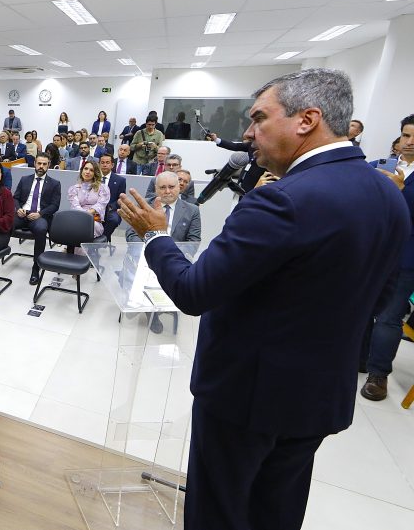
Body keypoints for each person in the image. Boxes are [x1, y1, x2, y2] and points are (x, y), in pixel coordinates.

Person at [116, 68, 408, 530]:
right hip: (318, 397)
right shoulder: (388, 195)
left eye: (258, 118)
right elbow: (381, 298)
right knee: (276, 511)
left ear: (307, 119)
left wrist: (155, 236)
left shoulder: (281, 200)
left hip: (246, 399)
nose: (249, 134)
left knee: (219, 512)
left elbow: (194, 291)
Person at [360, 113, 414, 400]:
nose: (410, 141)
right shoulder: (377, 167)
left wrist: (401, 192)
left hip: (405, 258)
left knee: (389, 317)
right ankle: (359, 359)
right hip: (371, 251)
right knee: (360, 308)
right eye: (406, 135)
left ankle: (378, 375)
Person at [12, 155, 61, 283]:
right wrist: (18, 209)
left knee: (41, 229)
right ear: (34, 163)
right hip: (22, 214)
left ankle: (36, 266)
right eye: (39, 163)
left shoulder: (55, 183)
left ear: (48, 165)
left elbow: (55, 205)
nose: (41, 166)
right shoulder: (24, 179)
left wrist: (40, 213)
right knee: (5, 223)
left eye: (44, 164)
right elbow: (15, 198)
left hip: (40, 216)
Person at [126, 170, 200, 243]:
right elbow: (132, 234)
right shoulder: (143, 205)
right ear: (156, 189)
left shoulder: (192, 210)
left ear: (178, 187)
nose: (167, 191)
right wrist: (144, 249)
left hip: (176, 250)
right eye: (162, 187)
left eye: (171, 187)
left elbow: (194, 241)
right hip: (146, 248)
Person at [67, 161, 110, 239]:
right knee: (71, 226)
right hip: (78, 217)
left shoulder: (103, 188)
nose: (87, 172)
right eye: (85, 169)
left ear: (95, 173)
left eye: (91, 170)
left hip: (94, 220)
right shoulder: (74, 189)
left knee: (86, 226)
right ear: (82, 170)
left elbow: (100, 205)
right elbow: (75, 205)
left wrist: (87, 215)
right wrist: (83, 216)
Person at [97, 154, 126, 239]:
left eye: (107, 162)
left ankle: (103, 238)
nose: (105, 165)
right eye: (102, 162)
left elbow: (120, 199)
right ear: (99, 164)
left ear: (112, 165)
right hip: (95, 207)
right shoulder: (94, 178)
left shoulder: (120, 180)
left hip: (111, 209)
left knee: (114, 219)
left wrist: (110, 207)